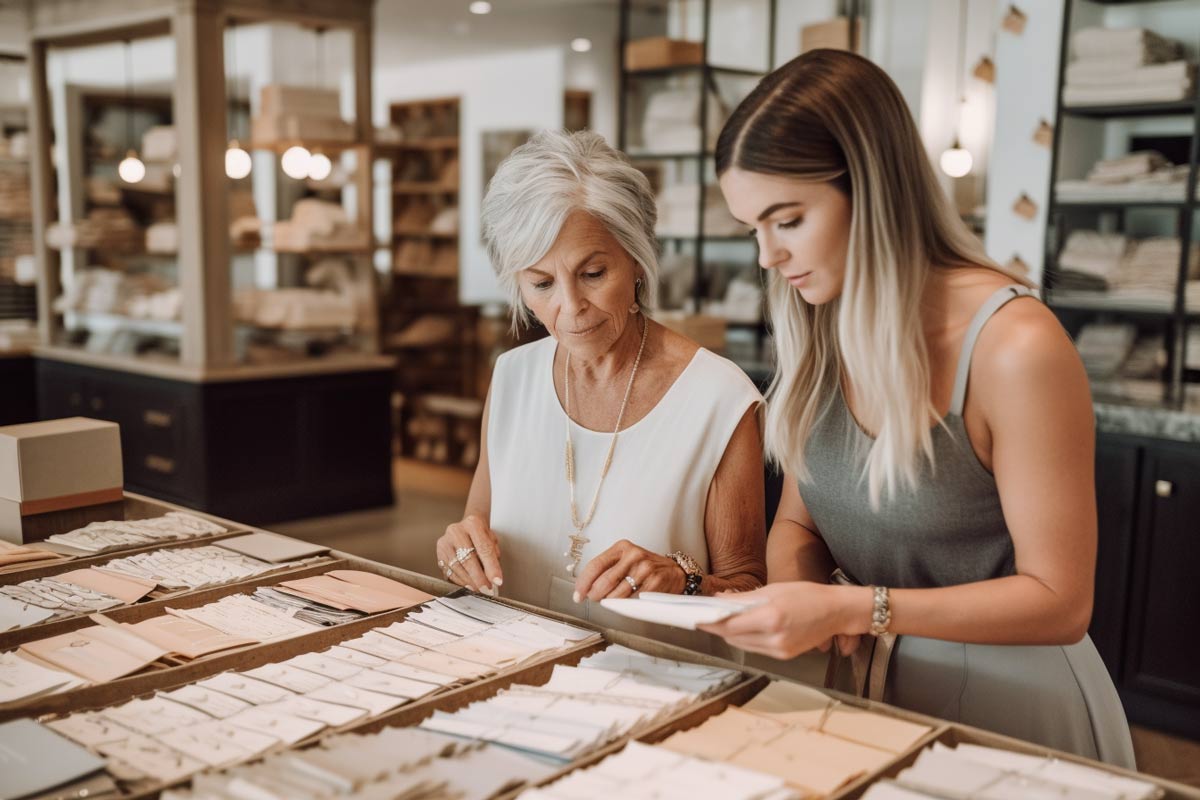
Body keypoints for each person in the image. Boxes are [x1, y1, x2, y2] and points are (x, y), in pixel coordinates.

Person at [700, 50, 1135, 767]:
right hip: (869, 699)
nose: (766, 257)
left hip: (1015, 717)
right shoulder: (822, 322)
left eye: (787, 220)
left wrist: (852, 608)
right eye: (752, 228)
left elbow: (1061, 601)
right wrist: (801, 597)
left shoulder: (1015, 346)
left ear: (870, 190)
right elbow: (798, 524)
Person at [435, 129, 766, 655]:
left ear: (636, 259)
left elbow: (752, 592)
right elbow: (475, 529)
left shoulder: (718, 398)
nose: (570, 306)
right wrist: (460, 547)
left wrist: (683, 580)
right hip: (510, 673)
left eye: (592, 273)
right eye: (541, 283)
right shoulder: (513, 377)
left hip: (655, 692)